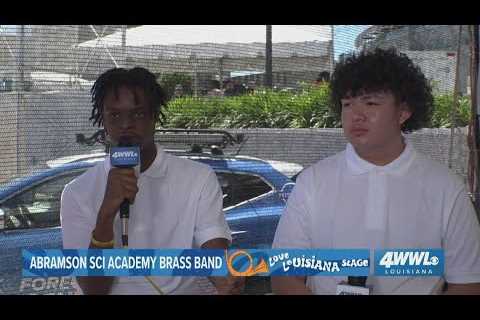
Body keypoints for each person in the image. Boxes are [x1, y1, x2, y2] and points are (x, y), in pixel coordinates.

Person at [271, 48, 480, 295]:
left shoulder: (445, 187)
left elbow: (467, 282)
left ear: (403, 112)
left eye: (370, 103)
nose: (356, 115)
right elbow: (284, 275)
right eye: (347, 104)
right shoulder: (313, 181)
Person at [60, 67, 243, 295]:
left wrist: (224, 277)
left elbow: (212, 244)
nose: (126, 124)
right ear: (103, 121)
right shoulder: (77, 192)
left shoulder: (198, 177)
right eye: (115, 115)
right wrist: (106, 215)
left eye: (137, 114)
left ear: (154, 116)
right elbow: (92, 288)